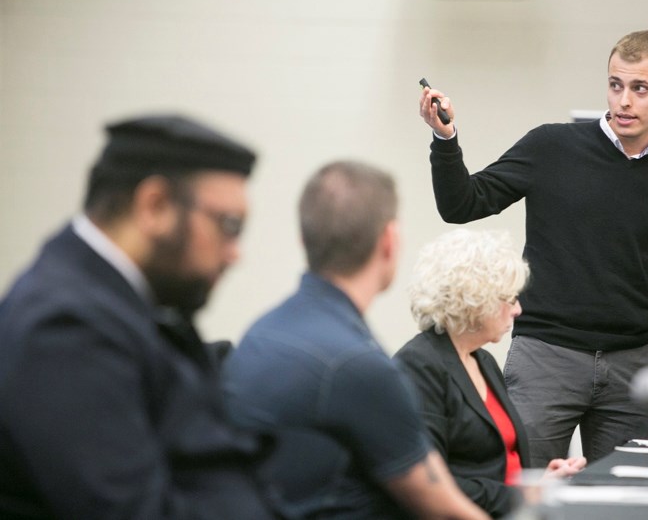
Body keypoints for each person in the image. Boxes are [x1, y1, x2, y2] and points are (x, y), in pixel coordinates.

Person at [418, 30, 648, 466]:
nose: (624, 100)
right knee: (525, 489)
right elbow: (462, 204)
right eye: (615, 85)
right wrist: (445, 138)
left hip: (632, 366)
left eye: (640, 88)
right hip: (545, 356)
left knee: (624, 502)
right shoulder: (551, 146)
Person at [0, 115, 275, 519]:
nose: (235, 254)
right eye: (228, 226)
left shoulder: (114, 305)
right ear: (155, 205)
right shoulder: (66, 326)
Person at [223, 161, 490, 520]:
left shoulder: (262, 331)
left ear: (306, 239)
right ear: (389, 242)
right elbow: (442, 508)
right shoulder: (358, 366)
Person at [394, 229, 586, 518]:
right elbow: (429, 485)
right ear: (474, 300)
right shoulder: (419, 366)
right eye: (509, 299)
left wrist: (540, 482)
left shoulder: (483, 361)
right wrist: (520, 495)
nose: (518, 310)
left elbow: (498, 463)